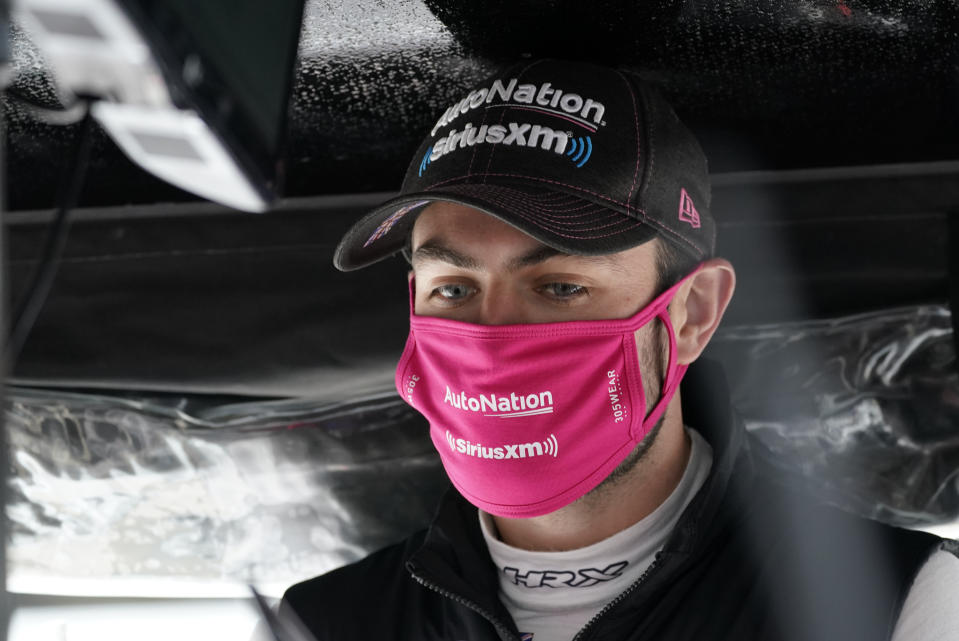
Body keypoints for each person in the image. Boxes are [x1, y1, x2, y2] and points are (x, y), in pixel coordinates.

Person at [281, 59, 958, 641]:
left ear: (691, 314)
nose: (492, 341)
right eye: (454, 289)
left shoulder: (895, 604)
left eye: (559, 286)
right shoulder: (322, 623)